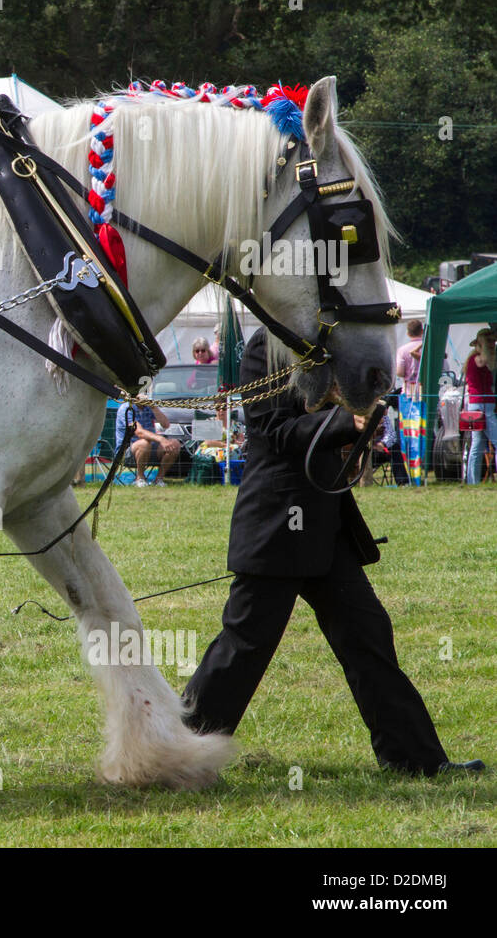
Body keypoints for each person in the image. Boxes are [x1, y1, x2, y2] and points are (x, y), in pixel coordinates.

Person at [183, 329, 483, 777]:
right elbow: (272, 429)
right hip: (279, 524)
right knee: (244, 646)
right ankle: (177, 752)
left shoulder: (330, 349)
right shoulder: (266, 349)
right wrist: (347, 422)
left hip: (326, 527)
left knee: (368, 636)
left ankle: (415, 760)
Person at [114, 399, 182, 487]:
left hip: (151, 449)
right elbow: (139, 432)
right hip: (127, 453)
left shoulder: (148, 407)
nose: (145, 395)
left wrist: (153, 407)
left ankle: (159, 480)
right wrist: (161, 439)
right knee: (144, 443)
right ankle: (140, 479)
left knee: (174, 444)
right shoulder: (126, 408)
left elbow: (165, 425)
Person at [462, 327, 496, 484]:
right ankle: (472, 480)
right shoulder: (477, 359)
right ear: (481, 342)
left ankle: (472, 481)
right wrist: (485, 344)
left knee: (477, 445)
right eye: (488, 341)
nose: (492, 344)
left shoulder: (473, 359)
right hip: (482, 405)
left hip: (476, 405)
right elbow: (487, 361)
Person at [395, 319, 424, 399]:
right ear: (422, 331)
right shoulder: (429, 347)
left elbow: (400, 372)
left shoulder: (402, 350)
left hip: (409, 391)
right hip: (427, 391)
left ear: (408, 333)